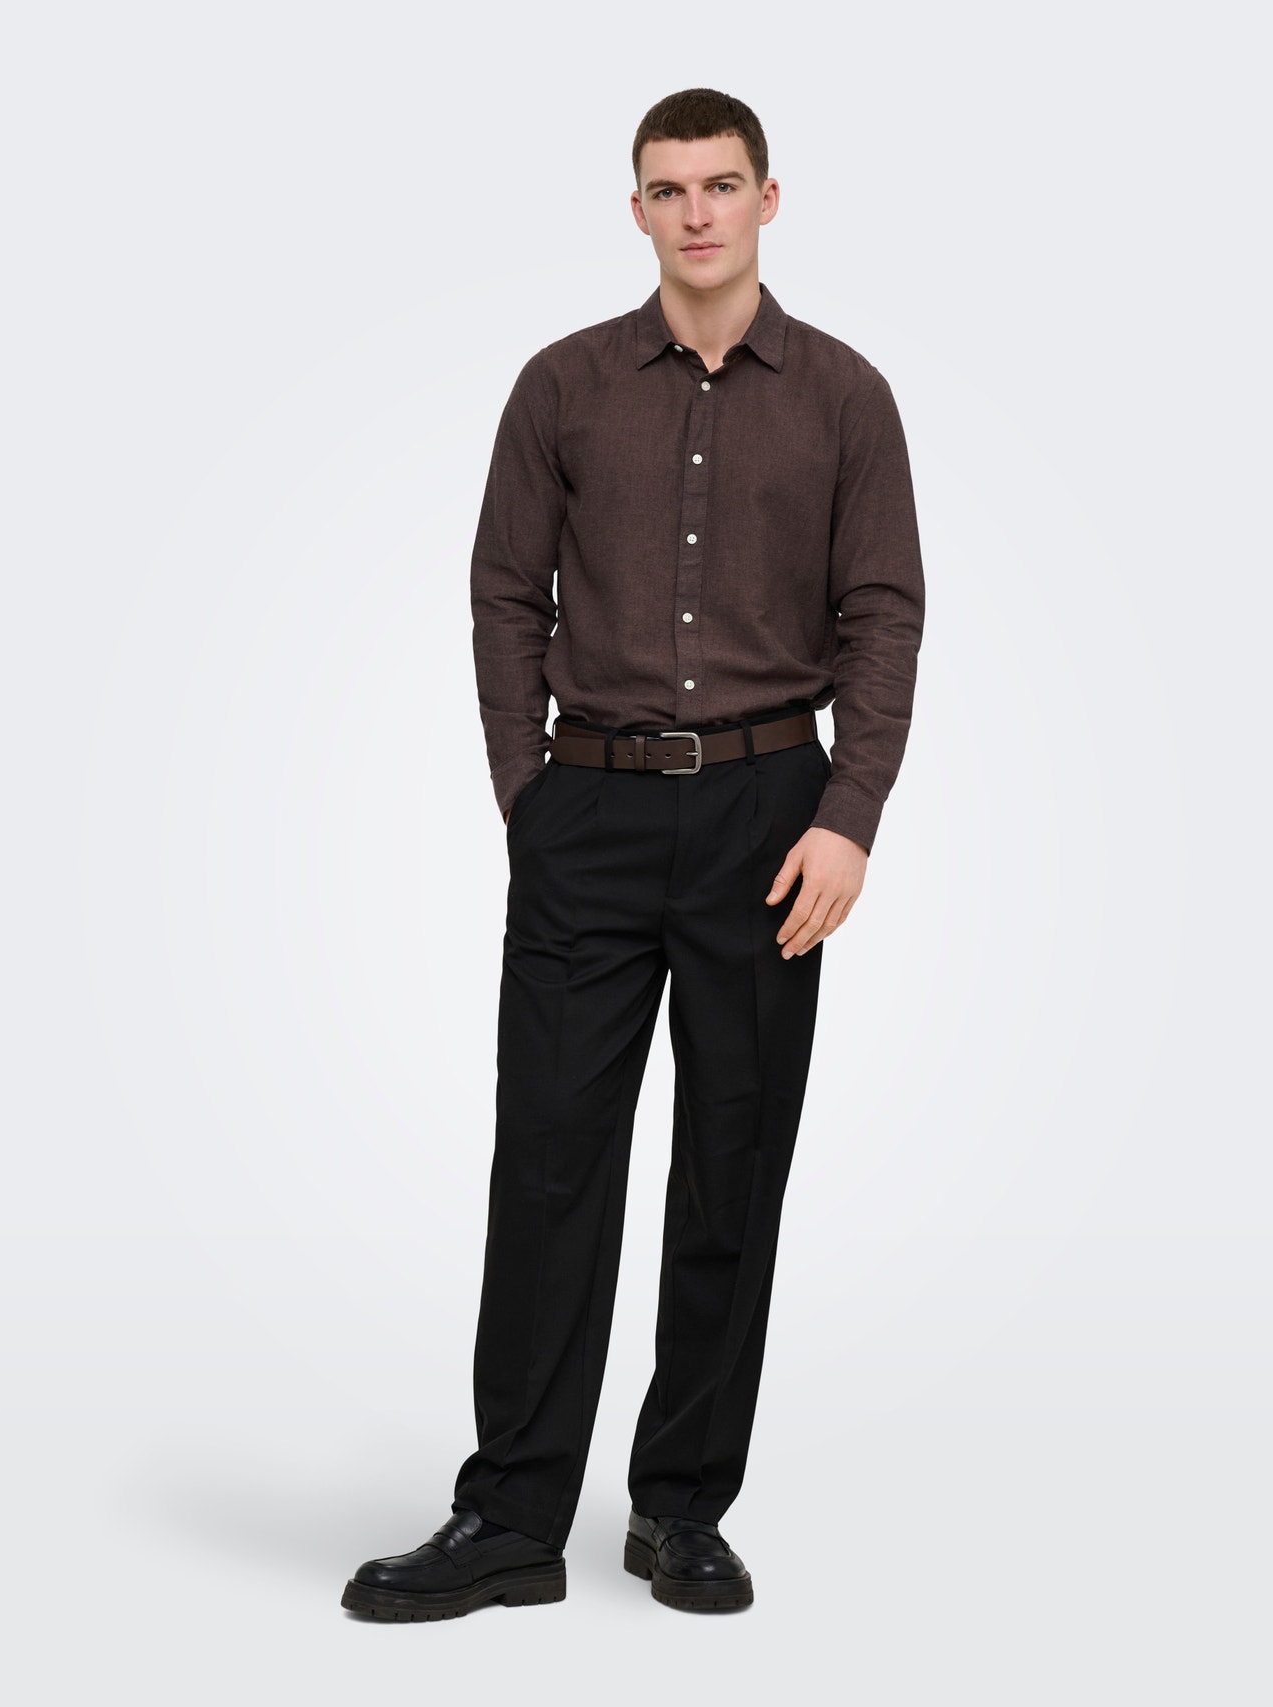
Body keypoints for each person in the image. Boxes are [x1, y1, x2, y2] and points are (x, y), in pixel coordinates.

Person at [341, 85, 925, 1622]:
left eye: (722, 185)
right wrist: (526, 794)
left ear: (768, 200)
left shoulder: (847, 397)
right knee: (549, 1164)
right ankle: (511, 1518)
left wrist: (849, 814)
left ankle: (679, 1510)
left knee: (732, 1166)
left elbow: (883, 613)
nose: (698, 213)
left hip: (768, 820)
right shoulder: (563, 386)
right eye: (670, 190)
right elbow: (503, 593)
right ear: (639, 210)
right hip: (586, 815)